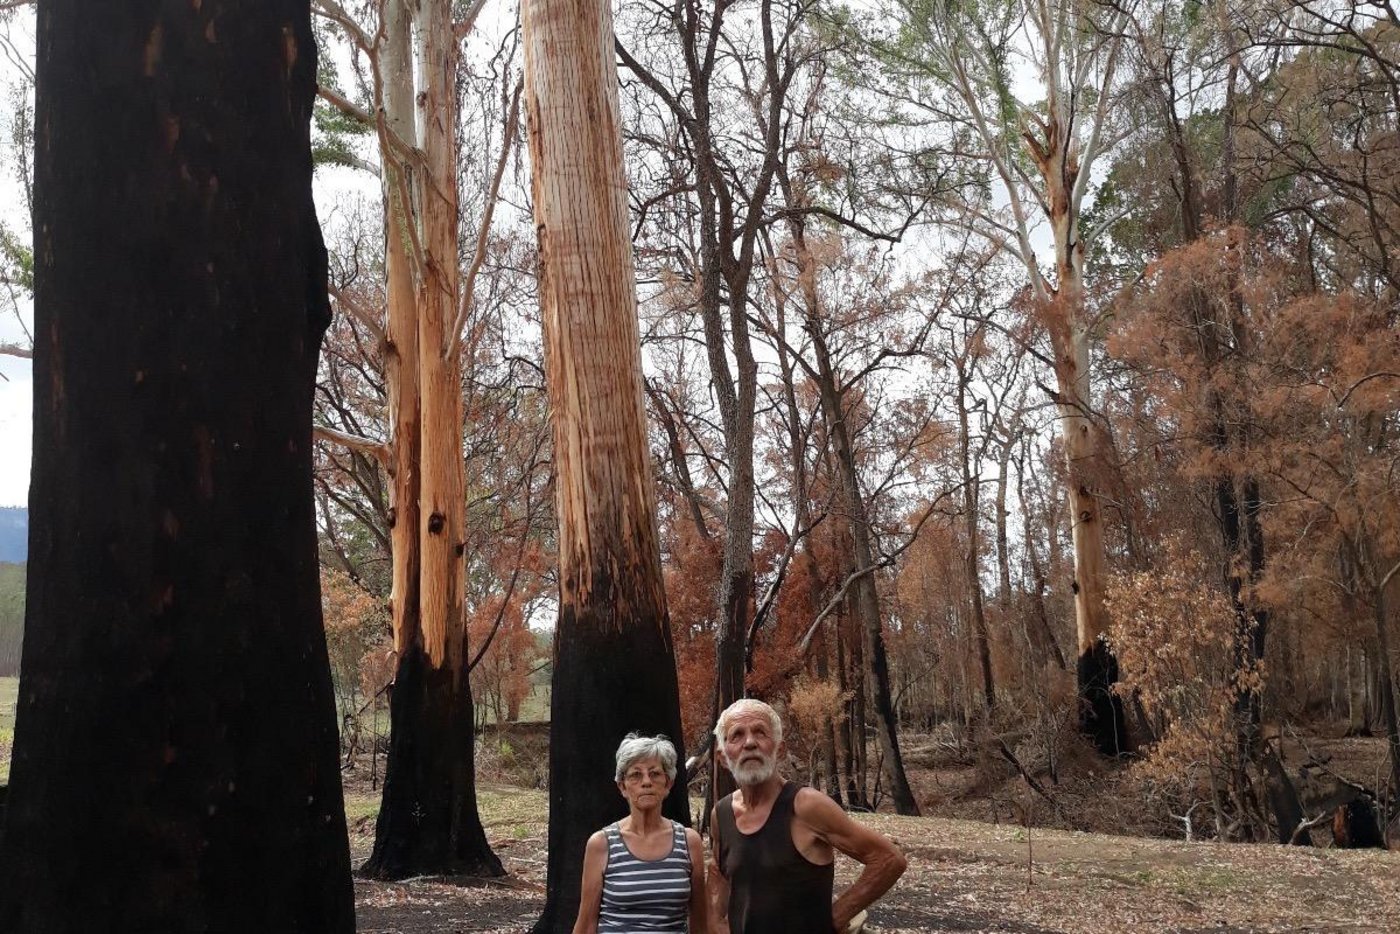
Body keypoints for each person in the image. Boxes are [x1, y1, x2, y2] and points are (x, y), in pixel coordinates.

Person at [708, 699, 907, 934]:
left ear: (779, 749)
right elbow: (720, 877)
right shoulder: (721, 814)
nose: (750, 743)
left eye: (760, 732)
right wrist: (715, 925)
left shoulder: (806, 805)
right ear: (722, 757)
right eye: (737, 735)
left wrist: (832, 920)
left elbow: (888, 860)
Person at [573, 734, 707, 934]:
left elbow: (700, 924)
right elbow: (585, 925)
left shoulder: (688, 842)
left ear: (668, 783)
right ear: (622, 786)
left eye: (655, 774)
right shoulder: (602, 844)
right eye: (636, 775)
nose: (646, 782)